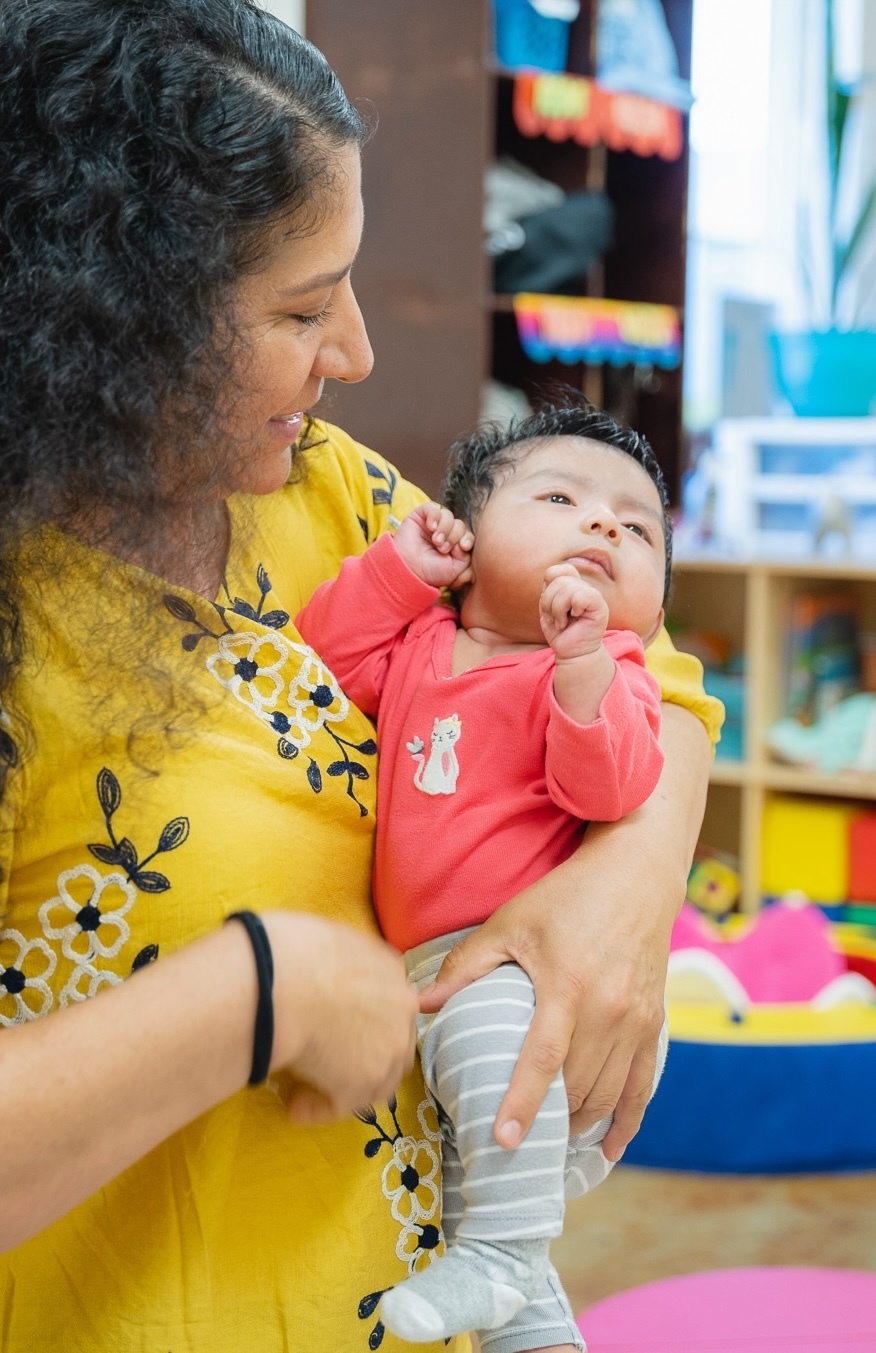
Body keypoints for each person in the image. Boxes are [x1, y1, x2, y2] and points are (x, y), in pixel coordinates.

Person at [0, 2, 723, 1350]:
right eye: (300, 307)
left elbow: (650, 658)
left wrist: (628, 882)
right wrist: (256, 993)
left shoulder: (330, 492)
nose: (357, 356)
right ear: (110, 322)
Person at [296, 402, 673, 1347]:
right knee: (481, 1237)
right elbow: (320, 662)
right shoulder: (423, 644)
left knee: (490, 1230)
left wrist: (581, 666)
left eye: (637, 528)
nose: (604, 526)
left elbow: (617, 782)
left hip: (534, 987)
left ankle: (502, 1260)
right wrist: (398, 572)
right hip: (438, 982)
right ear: (469, 536)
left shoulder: (608, 667)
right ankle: (524, 1307)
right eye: (561, 498)